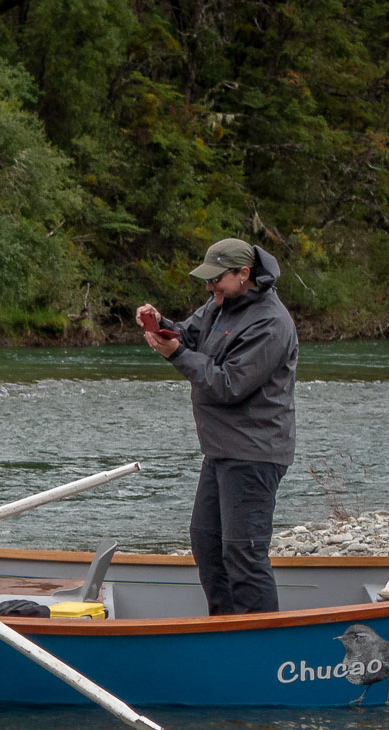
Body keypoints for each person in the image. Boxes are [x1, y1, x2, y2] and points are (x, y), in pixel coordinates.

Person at [136, 237, 299, 615]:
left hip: (255, 453)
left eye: (216, 280)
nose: (210, 288)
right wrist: (161, 325)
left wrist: (176, 355)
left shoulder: (272, 324)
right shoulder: (219, 305)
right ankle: (224, 626)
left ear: (245, 274)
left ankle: (257, 642)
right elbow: (190, 336)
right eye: (207, 281)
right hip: (222, 450)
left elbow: (228, 384)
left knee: (244, 554)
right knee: (207, 544)